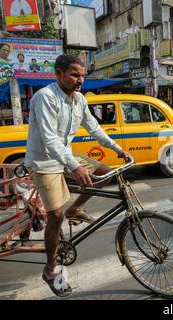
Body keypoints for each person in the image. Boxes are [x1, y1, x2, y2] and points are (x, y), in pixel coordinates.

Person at [23, 54, 131, 297]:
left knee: (107, 174)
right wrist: (75, 166)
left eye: (82, 75)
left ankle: (76, 208)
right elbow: (50, 141)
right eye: (74, 74)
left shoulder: (79, 99)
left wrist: (118, 149)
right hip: (44, 163)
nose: (80, 79)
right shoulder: (45, 98)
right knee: (56, 216)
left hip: (66, 157)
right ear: (59, 74)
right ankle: (50, 268)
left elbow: (94, 129)